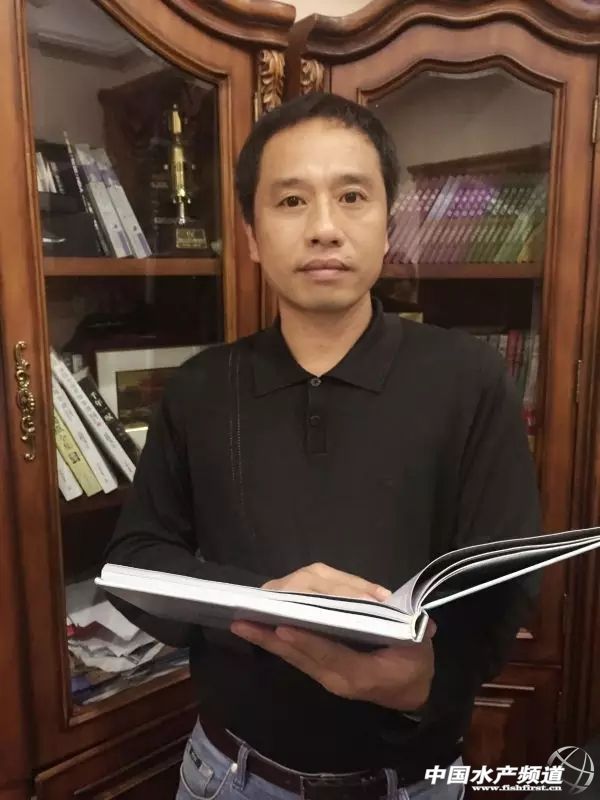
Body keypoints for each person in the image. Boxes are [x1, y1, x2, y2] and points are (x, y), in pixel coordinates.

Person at [104, 92, 540, 800]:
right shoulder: (199, 387)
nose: (325, 228)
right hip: (230, 775)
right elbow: (136, 558)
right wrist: (263, 600)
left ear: (388, 225)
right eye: (291, 201)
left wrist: (424, 682)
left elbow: (507, 579)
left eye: (352, 196)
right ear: (251, 235)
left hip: (414, 781)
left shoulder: (469, 378)